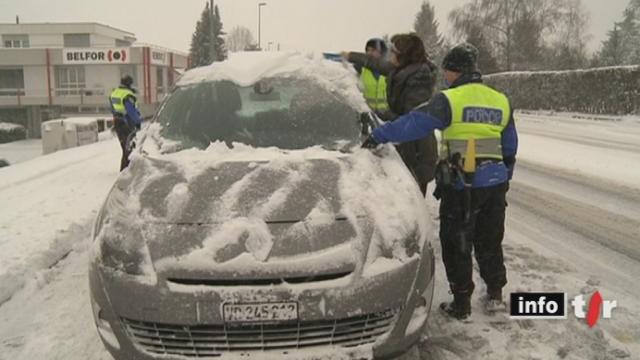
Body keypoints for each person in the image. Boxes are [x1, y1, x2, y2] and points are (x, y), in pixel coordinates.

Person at [362, 43, 518, 320]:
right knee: (490, 239)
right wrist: (503, 177)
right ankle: (495, 295)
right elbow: (509, 147)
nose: (444, 76)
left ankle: (461, 303)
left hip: (462, 185)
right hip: (494, 183)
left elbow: (413, 123)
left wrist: (378, 135)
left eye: (446, 71)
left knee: (457, 241)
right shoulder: (500, 100)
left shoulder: (450, 99)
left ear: (455, 71)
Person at [342, 34, 438, 196]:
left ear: (403, 56)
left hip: (416, 150)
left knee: (409, 201)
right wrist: (349, 55)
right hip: (405, 142)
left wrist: (382, 124)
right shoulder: (402, 69)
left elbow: (413, 120)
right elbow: (377, 64)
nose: (390, 55)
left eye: (393, 51)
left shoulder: (419, 77)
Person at [109, 75, 142, 171]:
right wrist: (137, 122)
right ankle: (125, 171)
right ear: (129, 84)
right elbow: (131, 111)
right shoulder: (128, 95)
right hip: (127, 123)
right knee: (129, 148)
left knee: (125, 147)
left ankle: (125, 169)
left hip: (117, 122)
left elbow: (112, 108)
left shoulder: (114, 93)